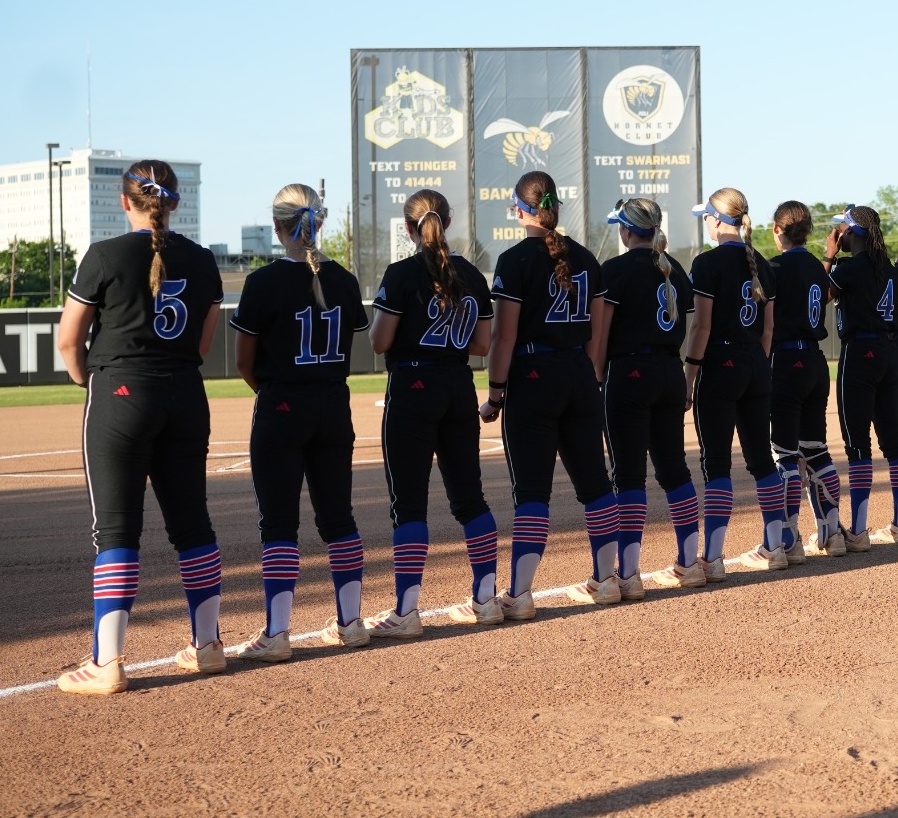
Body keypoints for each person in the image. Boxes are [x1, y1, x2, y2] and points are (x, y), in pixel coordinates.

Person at [54, 161, 226, 695]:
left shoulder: (105, 255)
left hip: (121, 394)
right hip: (185, 395)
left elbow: (68, 341)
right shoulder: (203, 260)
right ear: (174, 202)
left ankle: (107, 662)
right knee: (192, 524)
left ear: (125, 201)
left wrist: (91, 382)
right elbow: (203, 344)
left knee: (116, 530)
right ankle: (208, 645)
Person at [229, 183, 371, 662]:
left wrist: (275, 394)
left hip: (282, 406)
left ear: (277, 225)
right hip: (332, 406)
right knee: (339, 518)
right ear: (320, 222)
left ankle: (278, 633)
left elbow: (244, 362)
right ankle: (351, 622)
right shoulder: (344, 280)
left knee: (279, 524)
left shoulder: (263, 282)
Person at [479, 173, 622, 615]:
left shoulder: (514, 259)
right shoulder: (586, 257)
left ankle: (520, 594)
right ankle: (607, 580)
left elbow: (504, 337)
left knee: (532, 491)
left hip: (533, 375)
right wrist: (588, 376)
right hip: (579, 373)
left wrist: (496, 394)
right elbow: (596, 333)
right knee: (596, 483)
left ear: (520, 209)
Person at [365, 189, 501, 636]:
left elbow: (380, 342)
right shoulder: (471, 274)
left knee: (409, 504)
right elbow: (481, 345)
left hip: (413, 387)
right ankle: (486, 600)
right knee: (470, 498)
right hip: (458, 386)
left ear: (410, 227)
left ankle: (406, 612)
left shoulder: (402, 273)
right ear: (449, 221)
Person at [593, 197, 701, 593]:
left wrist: (595, 378)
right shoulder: (674, 268)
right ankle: (690, 563)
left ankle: (628, 574)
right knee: (675, 470)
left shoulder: (615, 270)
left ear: (625, 230)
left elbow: (601, 335)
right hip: (670, 370)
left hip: (629, 373)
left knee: (628, 474)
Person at [682, 188, 788, 575]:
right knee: (761, 459)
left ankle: (712, 558)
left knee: (717, 464)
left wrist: (689, 377)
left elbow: (701, 326)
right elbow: (768, 330)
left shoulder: (707, 262)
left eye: (706, 217)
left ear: (715, 219)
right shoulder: (761, 263)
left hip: (721, 363)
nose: (705, 223)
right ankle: (775, 546)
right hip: (756, 363)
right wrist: (756, 363)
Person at [825, 204, 898, 546]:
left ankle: (859, 531)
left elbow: (818, 296)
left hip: (860, 352)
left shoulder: (849, 267)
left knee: (858, 443)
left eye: (842, 228)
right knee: (894, 439)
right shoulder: (890, 268)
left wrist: (829, 255)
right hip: (889, 353)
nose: (839, 233)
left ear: (852, 232)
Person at [768, 203, 843, 554]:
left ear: (777, 230)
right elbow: (822, 293)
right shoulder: (816, 266)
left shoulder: (774, 267)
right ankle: (832, 533)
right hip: (815, 360)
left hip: (786, 359)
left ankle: (788, 541)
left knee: (784, 453)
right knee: (815, 449)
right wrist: (828, 257)